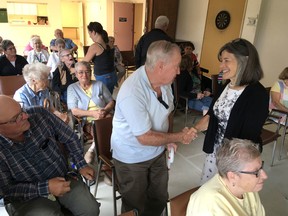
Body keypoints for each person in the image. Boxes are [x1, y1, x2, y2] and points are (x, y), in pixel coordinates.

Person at [111, 40, 198, 215]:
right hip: (132, 157)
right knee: (135, 205)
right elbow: (144, 137)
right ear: (160, 66)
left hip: (156, 152)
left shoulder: (164, 82)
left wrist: (169, 138)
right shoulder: (132, 91)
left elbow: (169, 112)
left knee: (158, 197)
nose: (179, 71)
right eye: (176, 66)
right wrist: (178, 137)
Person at [0, 95, 100, 216]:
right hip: (28, 197)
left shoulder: (39, 114)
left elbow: (70, 137)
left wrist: (81, 164)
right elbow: (7, 190)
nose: (26, 116)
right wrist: (45, 187)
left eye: (22, 110)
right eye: (17, 118)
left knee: (90, 210)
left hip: (62, 177)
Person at [193, 38, 269, 184]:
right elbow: (212, 114)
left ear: (245, 61)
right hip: (216, 151)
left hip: (237, 158)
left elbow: (248, 137)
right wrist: (193, 129)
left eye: (226, 60)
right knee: (208, 188)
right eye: (221, 61)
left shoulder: (257, 94)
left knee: (226, 196)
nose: (221, 66)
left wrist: (228, 164)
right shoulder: (226, 85)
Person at [186, 138, 267, 216]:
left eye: (261, 167)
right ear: (233, 176)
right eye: (256, 172)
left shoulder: (250, 187)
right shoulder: (210, 206)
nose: (265, 176)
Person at [67, 61, 115, 164]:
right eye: (80, 72)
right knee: (103, 131)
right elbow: (74, 110)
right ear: (75, 74)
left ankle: (91, 150)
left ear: (91, 72)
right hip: (87, 121)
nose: (84, 75)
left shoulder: (99, 84)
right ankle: (106, 165)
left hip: (105, 116)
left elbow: (111, 102)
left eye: (87, 72)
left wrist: (105, 110)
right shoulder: (72, 88)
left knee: (107, 127)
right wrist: (93, 114)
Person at [83, 22, 117, 94]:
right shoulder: (109, 44)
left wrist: (72, 69)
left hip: (104, 78)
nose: (89, 36)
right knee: (109, 97)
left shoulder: (95, 46)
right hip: (112, 74)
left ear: (94, 32)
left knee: (103, 100)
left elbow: (84, 62)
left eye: (89, 33)